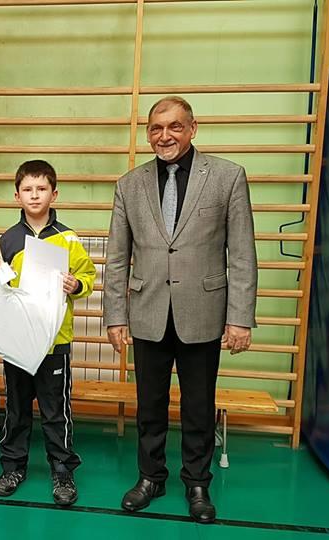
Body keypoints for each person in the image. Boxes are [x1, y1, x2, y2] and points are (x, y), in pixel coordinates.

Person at [103, 96, 258, 523]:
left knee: (198, 406)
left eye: (174, 126)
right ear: (148, 133)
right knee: (149, 404)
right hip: (147, 311)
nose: (164, 135)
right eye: (156, 128)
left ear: (192, 128)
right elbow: (117, 257)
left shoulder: (227, 177)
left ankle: (197, 483)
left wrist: (239, 317)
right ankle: (150, 477)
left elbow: (242, 253)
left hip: (203, 311)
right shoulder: (129, 185)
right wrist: (115, 315)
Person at [0, 159, 96, 506]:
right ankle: (13, 467)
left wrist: (76, 284)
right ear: (17, 196)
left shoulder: (68, 238)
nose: (34, 195)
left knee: (55, 410)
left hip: (54, 341)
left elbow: (88, 277)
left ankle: (62, 470)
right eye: (27, 189)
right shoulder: (7, 239)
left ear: (54, 194)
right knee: (16, 408)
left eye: (41, 189)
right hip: (17, 340)